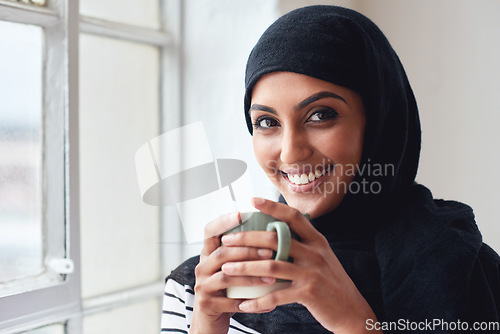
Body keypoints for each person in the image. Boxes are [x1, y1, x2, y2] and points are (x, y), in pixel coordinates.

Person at [161, 5, 500, 334]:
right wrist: (207, 324)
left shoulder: (465, 272)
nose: (291, 152)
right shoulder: (201, 288)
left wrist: (352, 322)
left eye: (321, 115)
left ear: (379, 121)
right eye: (267, 122)